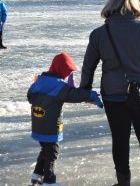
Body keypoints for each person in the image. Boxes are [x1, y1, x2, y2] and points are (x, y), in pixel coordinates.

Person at [80, 0, 140, 186]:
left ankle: (123, 182)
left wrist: (85, 88)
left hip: (114, 94)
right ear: (135, 6)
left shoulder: (99, 34)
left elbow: (89, 65)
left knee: (120, 139)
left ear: (110, 6)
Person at [28, 52, 103, 186]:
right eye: (67, 72)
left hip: (38, 124)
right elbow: (75, 95)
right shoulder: (59, 86)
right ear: (62, 70)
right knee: (52, 152)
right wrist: (92, 95)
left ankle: (37, 175)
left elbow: (30, 96)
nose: (68, 75)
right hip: (51, 127)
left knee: (45, 149)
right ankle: (49, 180)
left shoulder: (39, 80)